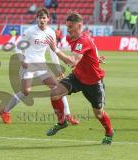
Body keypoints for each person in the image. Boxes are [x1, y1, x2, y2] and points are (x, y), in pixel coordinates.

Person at [0, 8, 79, 125]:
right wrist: (21, 59)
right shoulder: (30, 31)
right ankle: (5, 111)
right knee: (26, 91)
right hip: (28, 64)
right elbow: (18, 45)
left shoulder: (51, 33)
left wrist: (58, 70)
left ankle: (67, 116)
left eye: (44, 18)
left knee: (58, 89)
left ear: (48, 19)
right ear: (37, 19)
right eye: (40, 18)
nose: (42, 20)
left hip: (41, 66)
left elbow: (53, 52)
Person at [45, 13, 114, 145]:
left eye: (71, 27)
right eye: (67, 26)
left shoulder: (84, 40)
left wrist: (55, 49)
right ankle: (61, 122)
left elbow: (72, 62)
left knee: (99, 114)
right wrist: (96, 58)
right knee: (54, 93)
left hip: (94, 82)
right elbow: (90, 49)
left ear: (79, 25)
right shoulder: (70, 37)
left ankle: (109, 132)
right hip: (77, 77)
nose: (68, 30)